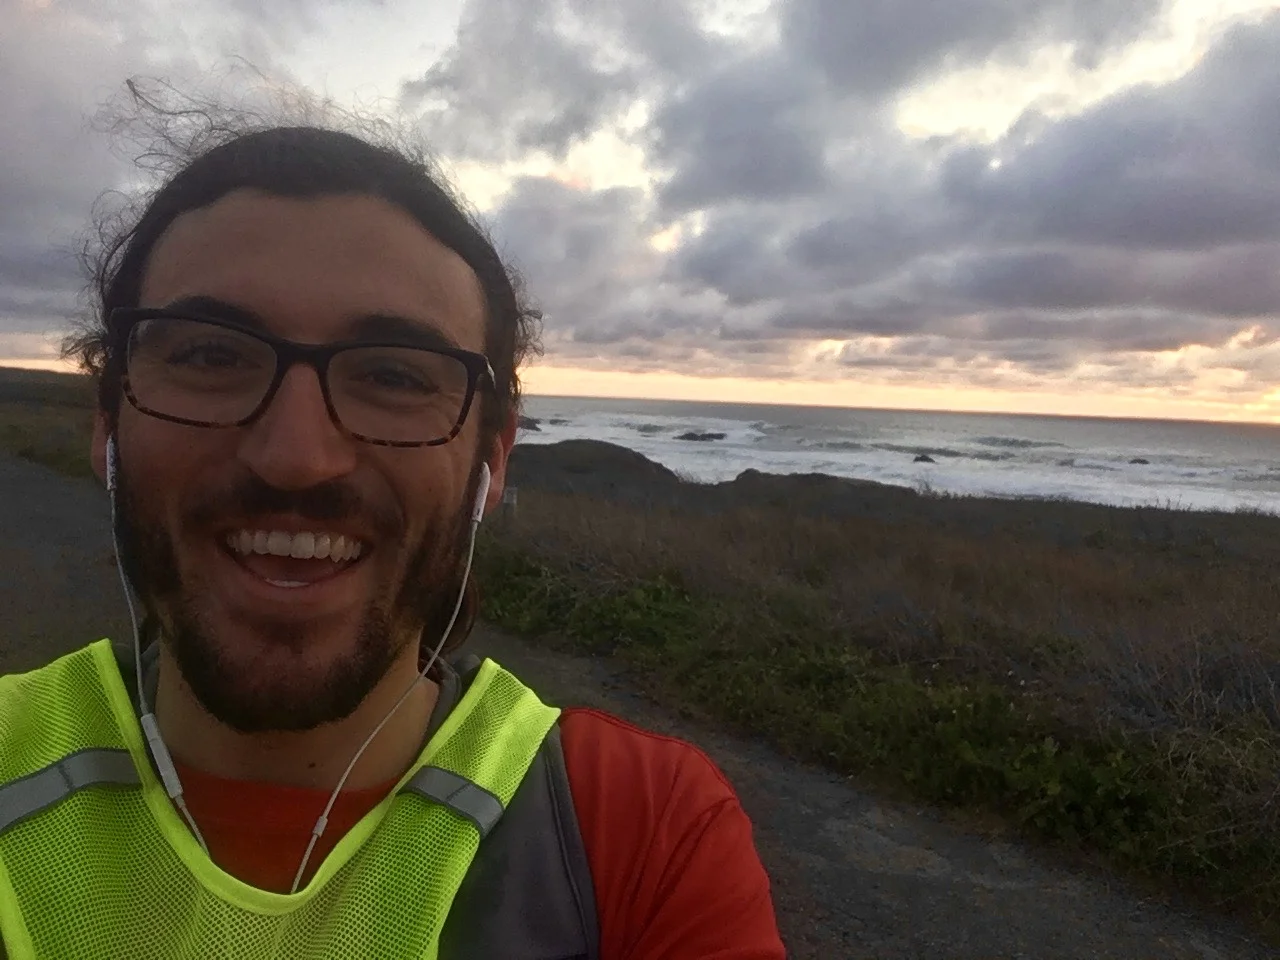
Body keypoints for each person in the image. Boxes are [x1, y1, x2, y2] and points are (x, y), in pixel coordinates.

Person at [0, 116, 786, 959]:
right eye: (209, 356)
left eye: (392, 375)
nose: (296, 458)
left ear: (495, 454)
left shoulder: (639, 828)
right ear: (107, 418)